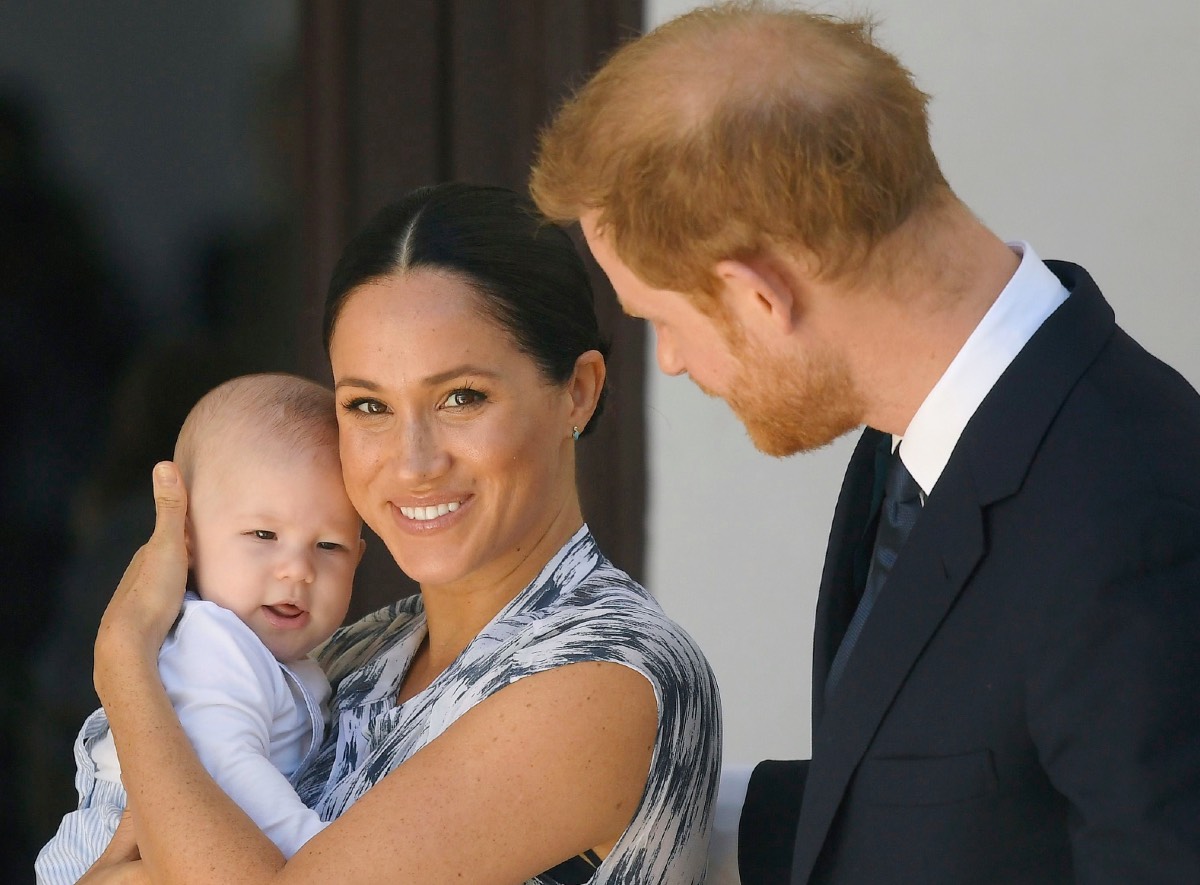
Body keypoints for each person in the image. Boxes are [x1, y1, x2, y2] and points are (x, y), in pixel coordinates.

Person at [529, 3, 1200, 883]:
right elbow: (951, 805)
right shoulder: (913, 438)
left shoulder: (1133, 517)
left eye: (661, 319)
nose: (676, 363)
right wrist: (625, 792)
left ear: (758, 296)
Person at [81, 183, 721, 885]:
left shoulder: (607, 673)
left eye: (461, 397)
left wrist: (125, 664)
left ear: (579, 390)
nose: (413, 463)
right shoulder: (356, 653)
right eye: (368, 405)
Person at [36, 372, 365, 883]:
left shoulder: (281, 657)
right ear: (186, 539)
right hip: (113, 850)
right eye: (264, 534)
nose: (297, 569)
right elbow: (228, 771)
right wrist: (318, 855)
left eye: (329, 546)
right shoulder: (213, 643)